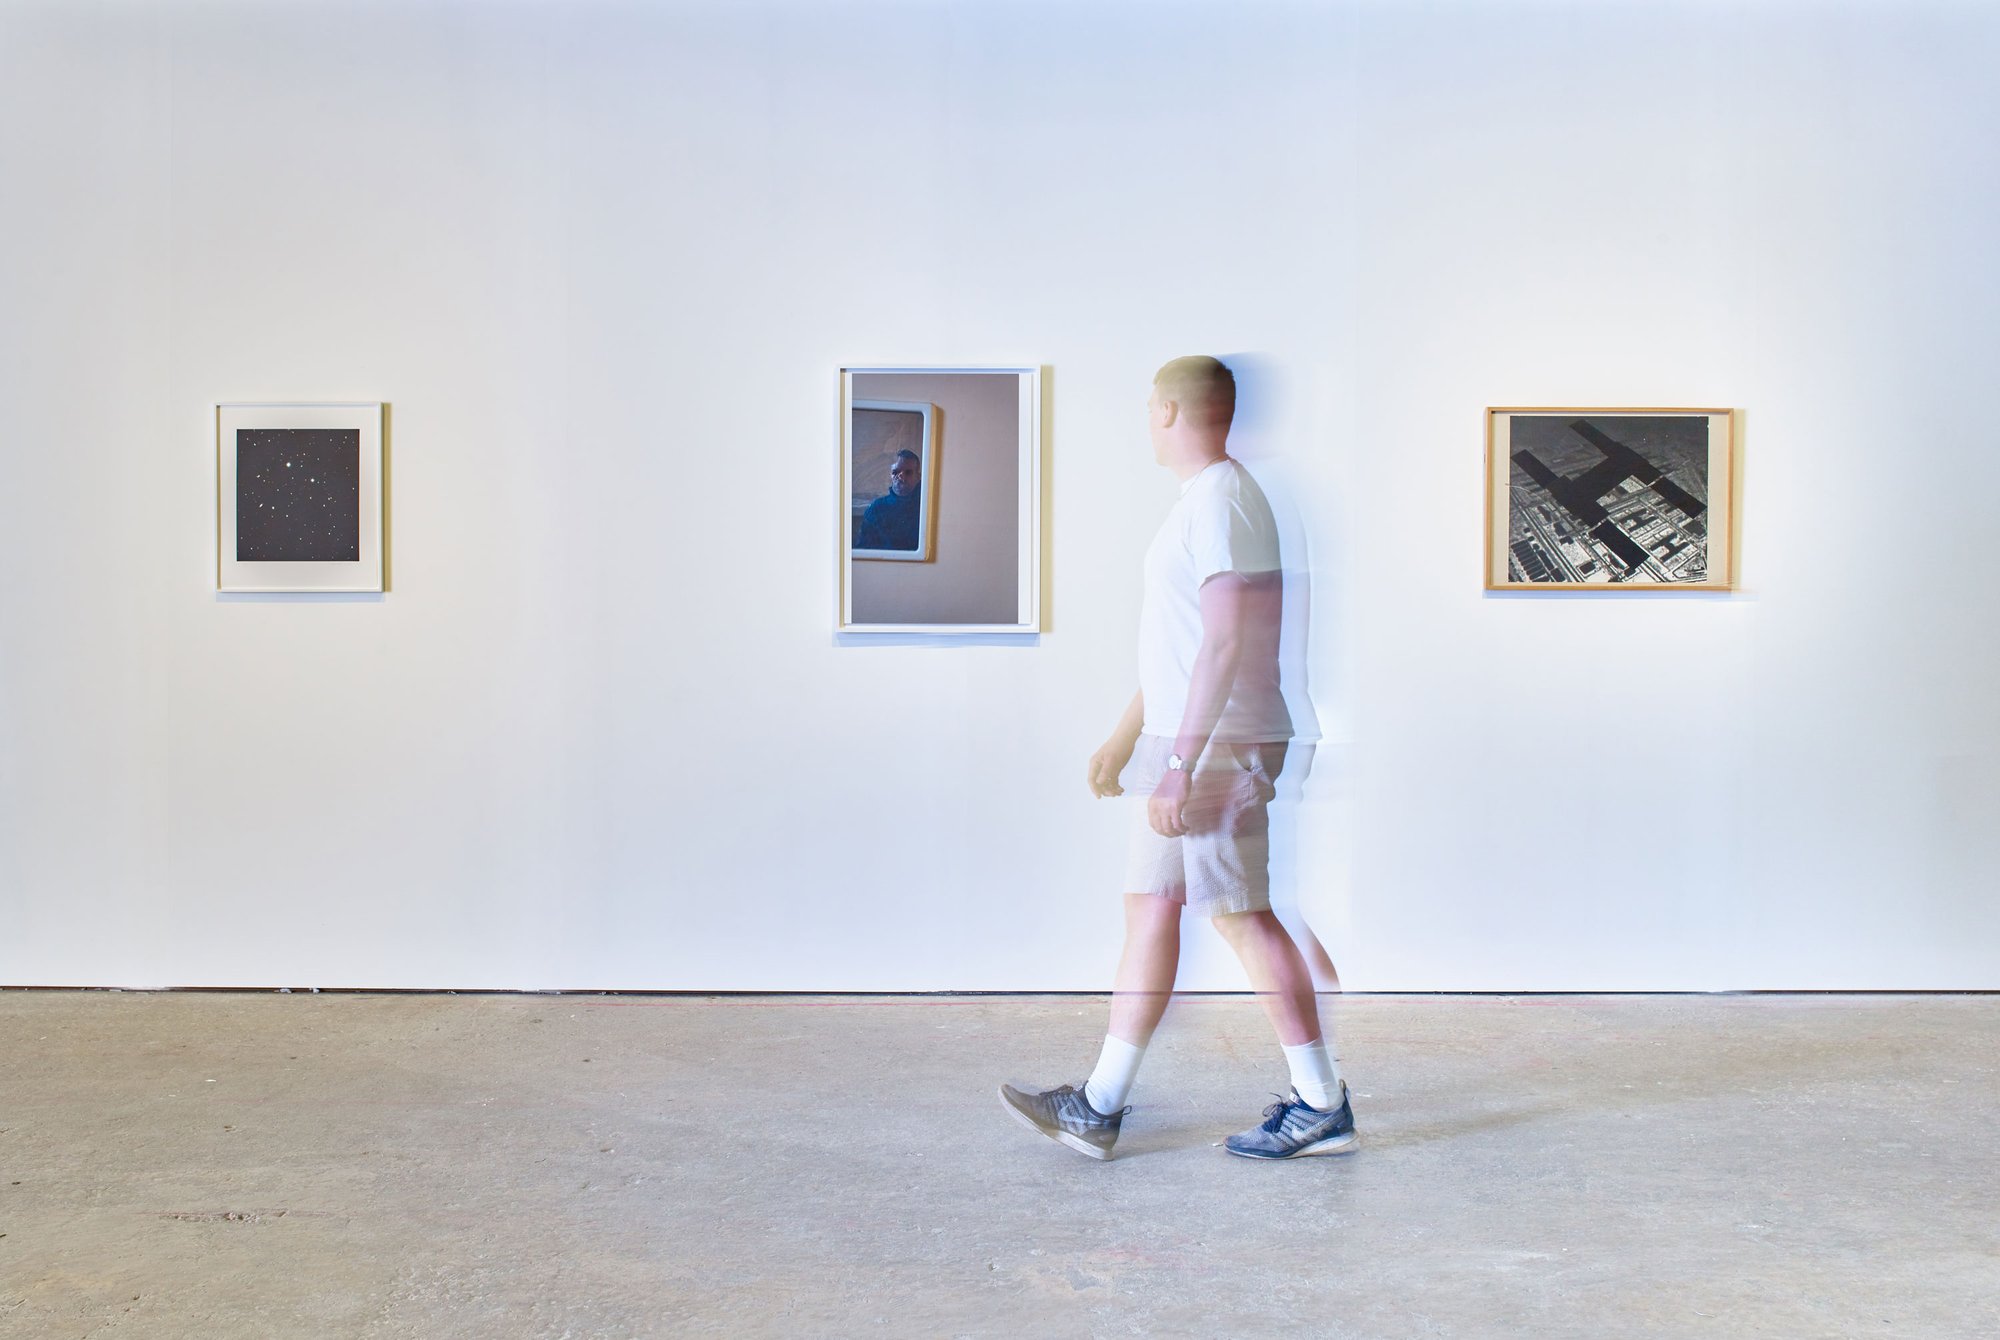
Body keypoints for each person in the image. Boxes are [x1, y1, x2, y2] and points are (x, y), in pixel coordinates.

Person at [998, 356, 1354, 1161]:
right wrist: (1130, 738)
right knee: (1150, 908)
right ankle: (1098, 1104)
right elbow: (1182, 647)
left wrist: (1180, 765)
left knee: (1240, 917)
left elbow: (1228, 642)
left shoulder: (1225, 501)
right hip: (1188, 739)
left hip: (1220, 744)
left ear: (1165, 410)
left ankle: (1321, 1103)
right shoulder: (1199, 504)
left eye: (1144, 409)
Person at [855, 449, 922, 550]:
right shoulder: (876, 508)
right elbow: (863, 549)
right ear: (890, 476)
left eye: (908, 472)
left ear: (918, 477)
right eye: (895, 472)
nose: (901, 476)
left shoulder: (925, 507)